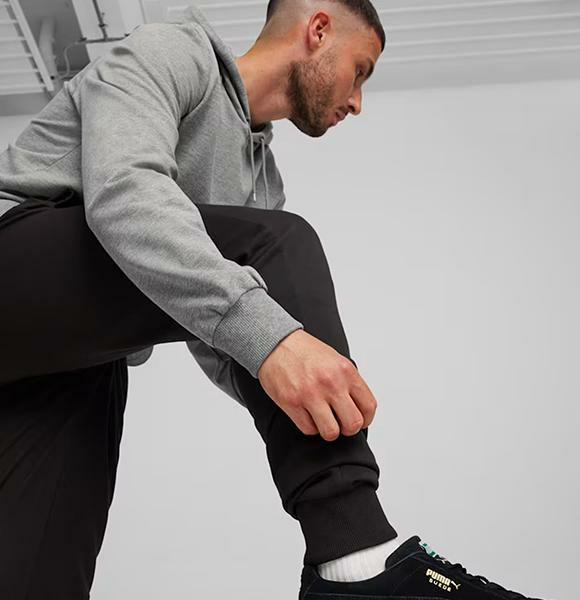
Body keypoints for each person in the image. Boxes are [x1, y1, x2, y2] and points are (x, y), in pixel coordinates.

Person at [0, 1, 547, 599]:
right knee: (279, 247)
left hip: (73, 359)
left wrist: (292, 379)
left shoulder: (261, 185)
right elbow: (123, 193)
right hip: (16, 260)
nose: (357, 102)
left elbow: (222, 336)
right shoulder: (171, 51)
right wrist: (274, 342)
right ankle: (356, 555)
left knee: (41, 576)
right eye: (360, 71)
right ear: (319, 29)